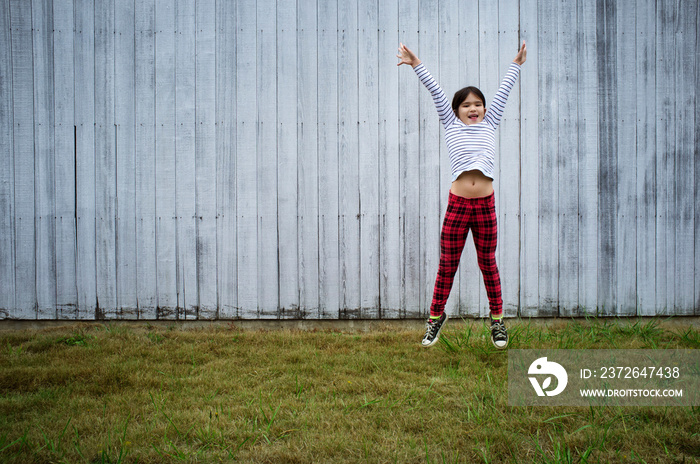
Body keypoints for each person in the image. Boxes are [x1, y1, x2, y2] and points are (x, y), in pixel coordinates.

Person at [397, 40, 527, 349]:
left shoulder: (490, 122)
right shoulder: (451, 124)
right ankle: (435, 320)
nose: (473, 109)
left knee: (488, 263)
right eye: (466, 105)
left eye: (477, 104)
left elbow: (504, 92)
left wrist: (516, 64)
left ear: (484, 109)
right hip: (458, 205)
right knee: (448, 265)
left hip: (485, 205)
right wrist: (416, 63)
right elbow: (436, 91)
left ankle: (497, 321)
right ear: (457, 110)